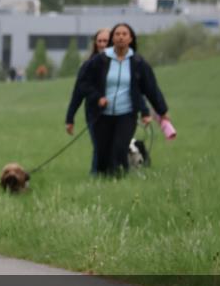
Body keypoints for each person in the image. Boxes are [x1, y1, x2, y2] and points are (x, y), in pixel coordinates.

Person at [78, 23, 170, 177]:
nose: (121, 37)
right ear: (112, 38)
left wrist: (162, 111)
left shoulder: (138, 62)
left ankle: (118, 179)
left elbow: (151, 88)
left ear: (131, 38)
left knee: (119, 149)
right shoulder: (100, 60)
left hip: (126, 113)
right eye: (117, 34)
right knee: (102, 151)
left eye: (124, 34)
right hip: (103, 114)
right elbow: (83, 82)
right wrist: (97, 97)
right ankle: (102, 179)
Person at [65, 28, 110, 174]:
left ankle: (113, 175)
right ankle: (96, 177)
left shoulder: (121, 63)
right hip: (94, 113)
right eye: (100, 41)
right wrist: (70, 118)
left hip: (119, 111)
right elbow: (78, 92)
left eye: (106, 41)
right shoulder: (88, 65)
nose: (103, 44)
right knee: (99, 146)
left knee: (115, 146)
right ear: (95, 44)